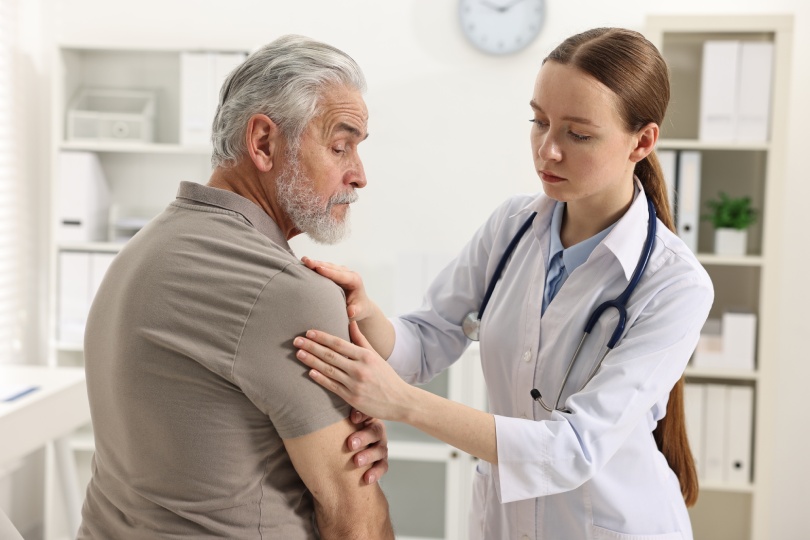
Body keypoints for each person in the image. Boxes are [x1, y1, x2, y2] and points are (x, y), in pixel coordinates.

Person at [293, 27, 714, 540]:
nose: (547, 151)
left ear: (642, 141)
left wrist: (402, 402)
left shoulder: (675, 284)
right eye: (539, 122)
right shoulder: (513, 226)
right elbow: (427, 342)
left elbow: (573, 449)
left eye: (578, 134)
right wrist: (365, 312)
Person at [78, 35, 393, 540]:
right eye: (341, 146)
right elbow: (353, 519)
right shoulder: (287, 291)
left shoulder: (143, 251)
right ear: (264, 142)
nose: (358, 176)